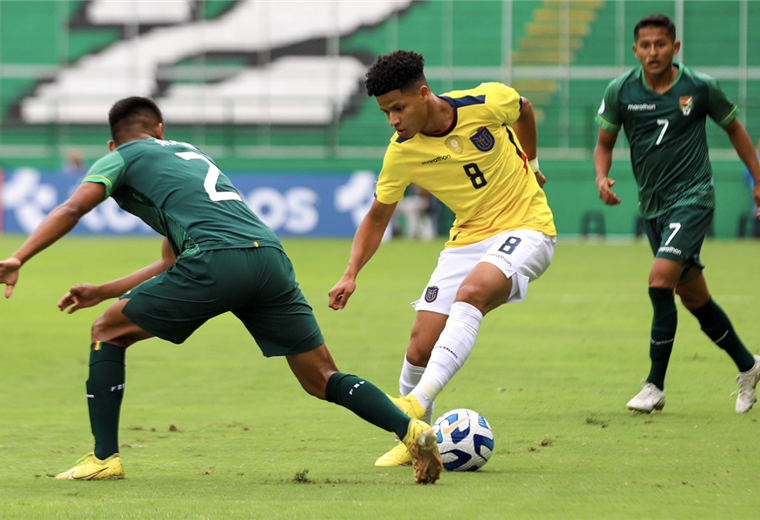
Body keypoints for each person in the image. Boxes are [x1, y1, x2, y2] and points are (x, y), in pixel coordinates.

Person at [0, 96, 442, 484]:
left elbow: (73, 206)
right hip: (268, 257)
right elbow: (171, 261)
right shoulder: (188, 154)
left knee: (107, 332)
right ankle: (410, 429)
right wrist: (105, 289)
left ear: (115, 143)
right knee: (321, 377)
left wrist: (19, 257)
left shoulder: (123, 156)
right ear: (160, 129)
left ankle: (103, 458)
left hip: (216, 259)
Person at [328, 50, 556, 466]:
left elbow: (523, 109)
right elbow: (378, 216)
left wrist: (532, 161)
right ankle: (417, 441)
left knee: (472, 294)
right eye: (385, 113)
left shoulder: (484, 102)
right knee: (419, 348)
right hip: (467, 238)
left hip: (528, 227)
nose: (393, 120)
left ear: (423, 93)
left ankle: (414, 404)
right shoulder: (401, 152)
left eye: (398, 108)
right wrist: (350, 272)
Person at [594, 14, 760, 413]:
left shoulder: (699, 88)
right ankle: (749, 366)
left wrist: (757, 179)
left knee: (659, 281)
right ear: (635, 50)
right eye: (646, 45)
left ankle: (654, 385)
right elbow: (604, 143)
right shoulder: (621, 91)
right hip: (653, 206)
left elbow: (735, 129)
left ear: (676, 47)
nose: (653, 52)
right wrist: (602, 177)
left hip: (694, 197)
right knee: (693, 297)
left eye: (661, 44)